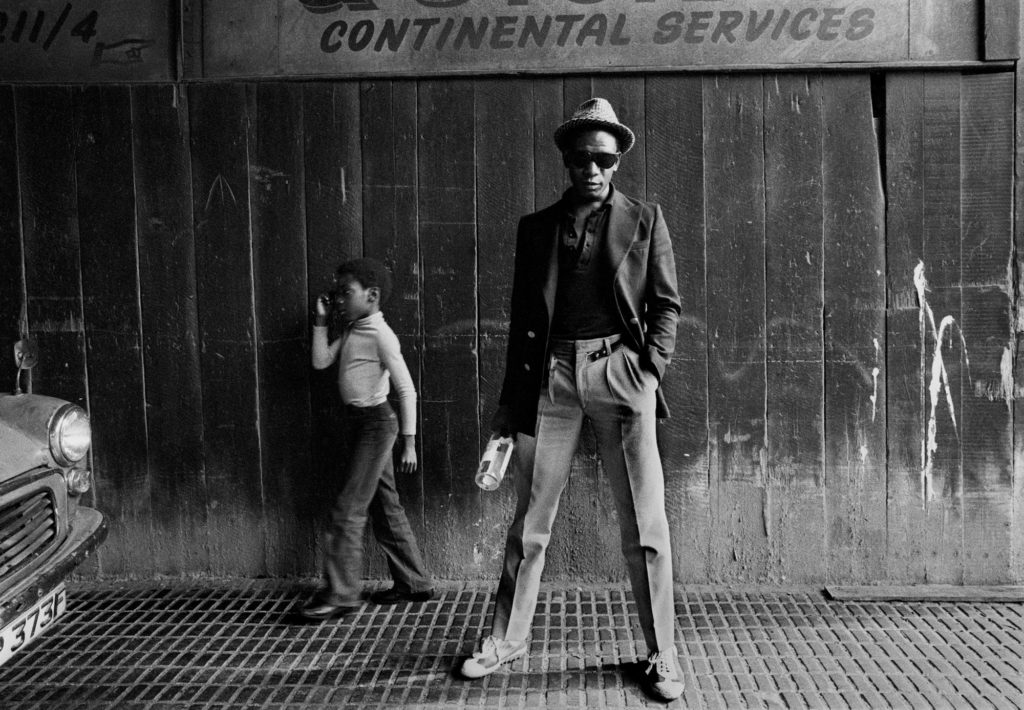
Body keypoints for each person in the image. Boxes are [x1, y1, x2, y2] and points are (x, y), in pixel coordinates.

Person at [459, 98, 684, 701]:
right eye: (581, 155)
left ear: (617, 161)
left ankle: (662, 653)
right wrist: (510, 409)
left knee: (645, 524)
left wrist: (647, 372)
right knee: (530, 520)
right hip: (551, 376)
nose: (592, 167)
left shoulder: (646, 218)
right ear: (566, 159)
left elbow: (667, 305)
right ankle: (506, 639)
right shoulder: (535, 228)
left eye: (603, 156)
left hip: (621, 373)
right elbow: (522, 320)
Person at [300, 257, 434, 621]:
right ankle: (414, 582)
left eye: (346, 292)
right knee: (384, 505)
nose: (339, 298)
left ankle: (342, 595)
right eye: (337, 292)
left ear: (372, 296)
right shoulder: (355, 330)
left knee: (347, 510)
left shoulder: (380, 335)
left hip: (377, 425)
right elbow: (321, 361)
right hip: (361, 425)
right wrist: (322, 320)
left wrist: (409, 442)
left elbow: (406, 389)